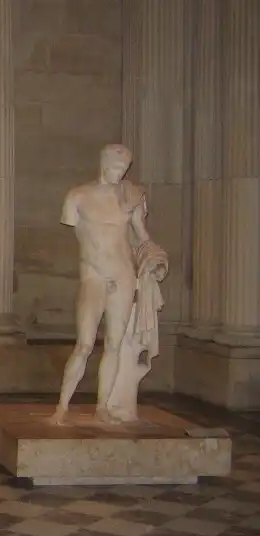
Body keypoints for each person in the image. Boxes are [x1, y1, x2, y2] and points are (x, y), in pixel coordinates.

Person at [52, 144, 167, 425]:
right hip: (93, 275)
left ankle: (102, 407)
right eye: (115, 167)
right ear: (103, 163)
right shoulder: (78, 196)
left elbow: (142, 236)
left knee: (114, 343)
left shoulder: (131, 197)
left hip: (123, 274)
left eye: (124, 168)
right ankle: (62, 407)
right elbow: (74, 227)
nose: (120, 173)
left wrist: (155, 256)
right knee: (84, 344)